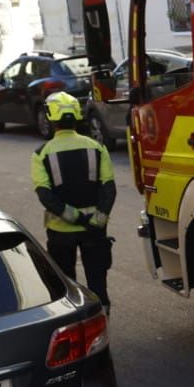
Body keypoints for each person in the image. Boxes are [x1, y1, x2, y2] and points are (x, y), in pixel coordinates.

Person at [32, 91, 116, 309]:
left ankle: (75, 321)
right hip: (94, 229)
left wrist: (75, 217)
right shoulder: (97, 147)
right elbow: (109, 188)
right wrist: (97, 219)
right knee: (98, 282)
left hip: (61, 231)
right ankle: (103, 319)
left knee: (66, 286)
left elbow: (46, 196)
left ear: (51, 118)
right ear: (77, 116)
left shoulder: (41, 153)